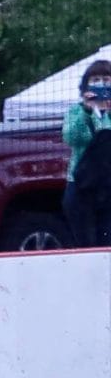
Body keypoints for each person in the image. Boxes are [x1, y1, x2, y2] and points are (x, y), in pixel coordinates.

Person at [62, 60, 111, 248]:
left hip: (108, 187)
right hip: (82, 187)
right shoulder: (76, 111)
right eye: (96, 80)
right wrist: (87, 111)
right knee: (85, 244)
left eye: (106, 80)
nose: (101, 85)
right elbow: (71, 137)